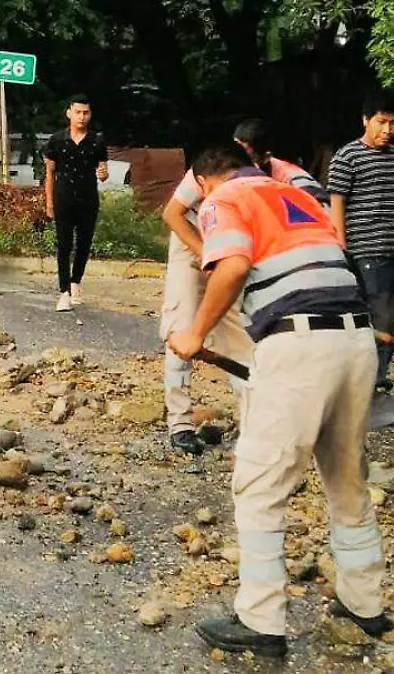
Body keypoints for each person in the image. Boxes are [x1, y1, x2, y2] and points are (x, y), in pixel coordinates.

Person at [167, 144, 389, 658]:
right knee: (347, 479)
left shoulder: (225, 198)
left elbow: (233, 264)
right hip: (355, 339)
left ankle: (260, 619)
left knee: (260, 483)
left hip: (298, 345)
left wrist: (194, 333)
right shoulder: (299, 196)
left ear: (203, 183)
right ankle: (365, 604)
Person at [158, 118, 329, 454]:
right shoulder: (212, 167)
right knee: (182, 326)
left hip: (240, 247)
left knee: (238, 333)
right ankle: (179, 421)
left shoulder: (287, 177)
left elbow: (317, 217)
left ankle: (252, 418)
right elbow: (172, 214)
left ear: (264, 157)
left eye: (244, 154)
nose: (234, 161)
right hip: (193, 239)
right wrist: (207, 254)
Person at [328, 89, 394, 392]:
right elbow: (337, 202)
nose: (387, 130)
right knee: (380, 315)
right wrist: (340, 244)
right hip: (366, 249)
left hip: (391, 249)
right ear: (366, 120)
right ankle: (374, 379)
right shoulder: (348, 156)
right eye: (382, 122)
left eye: (393, 123)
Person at [44, 94, 110, 312]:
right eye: (78, 112)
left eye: (86, 113)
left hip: (88, 198)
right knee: (63, 245)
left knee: (83, 244)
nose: (82, 117)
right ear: (69, 113)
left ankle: (76, 281)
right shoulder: (57, 140)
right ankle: (63, 291)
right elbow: (49, 174)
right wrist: (49, 203)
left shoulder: (97, 141)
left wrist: (103, 173)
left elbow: (102, 172)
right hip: (63, 198)